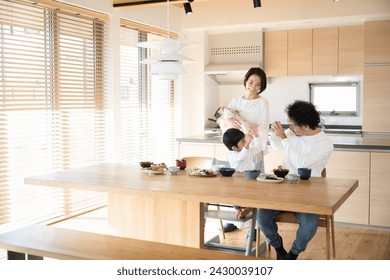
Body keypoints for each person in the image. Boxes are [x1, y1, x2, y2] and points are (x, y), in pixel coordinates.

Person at [258, 100, 334, 260]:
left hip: (309, 192)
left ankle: (292, 254)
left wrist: (284, 139)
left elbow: (302, 164)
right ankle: (279, 249)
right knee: (262, 217)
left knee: (309, 227)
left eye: (292, 125)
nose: (289, 128)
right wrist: (274, 134)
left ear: (305, 126)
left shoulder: (325, 144)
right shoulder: (295, 132)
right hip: (283, 187)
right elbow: (277, 146)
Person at [225, 67, 270, 173]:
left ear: (261, 86)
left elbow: (263, 127)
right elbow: (226, 118)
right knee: (237, 178)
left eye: (258, 84)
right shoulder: (236, 100)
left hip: (253, 146)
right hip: (237, 148)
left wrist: (251, 134)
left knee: (255, 179)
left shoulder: (262, 102)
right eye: (251, 82)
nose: (253, 87)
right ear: (246, 81)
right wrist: (229, 121)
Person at [222, 125, 264, 218]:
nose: (245, 142)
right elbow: (242, 157)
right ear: (234, 147)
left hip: (249, 180)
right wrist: (248, 143)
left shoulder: (244, 150)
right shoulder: (232, 154)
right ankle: (238, 208)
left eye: (245, 140)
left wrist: (256, 135)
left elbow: (259, 147)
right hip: (237, 183)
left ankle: (250, 207)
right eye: (243, 141)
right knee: (233, 193)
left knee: (260, 190)